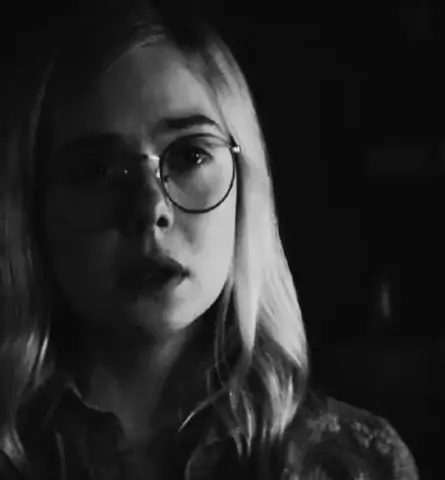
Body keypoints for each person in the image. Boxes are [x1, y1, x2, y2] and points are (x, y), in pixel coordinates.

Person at [0, 2, 419, 479]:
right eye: (97, 170)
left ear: (245, 178)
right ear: (31, 204)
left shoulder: (351, 463)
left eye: (190, 156)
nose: (150, 210)